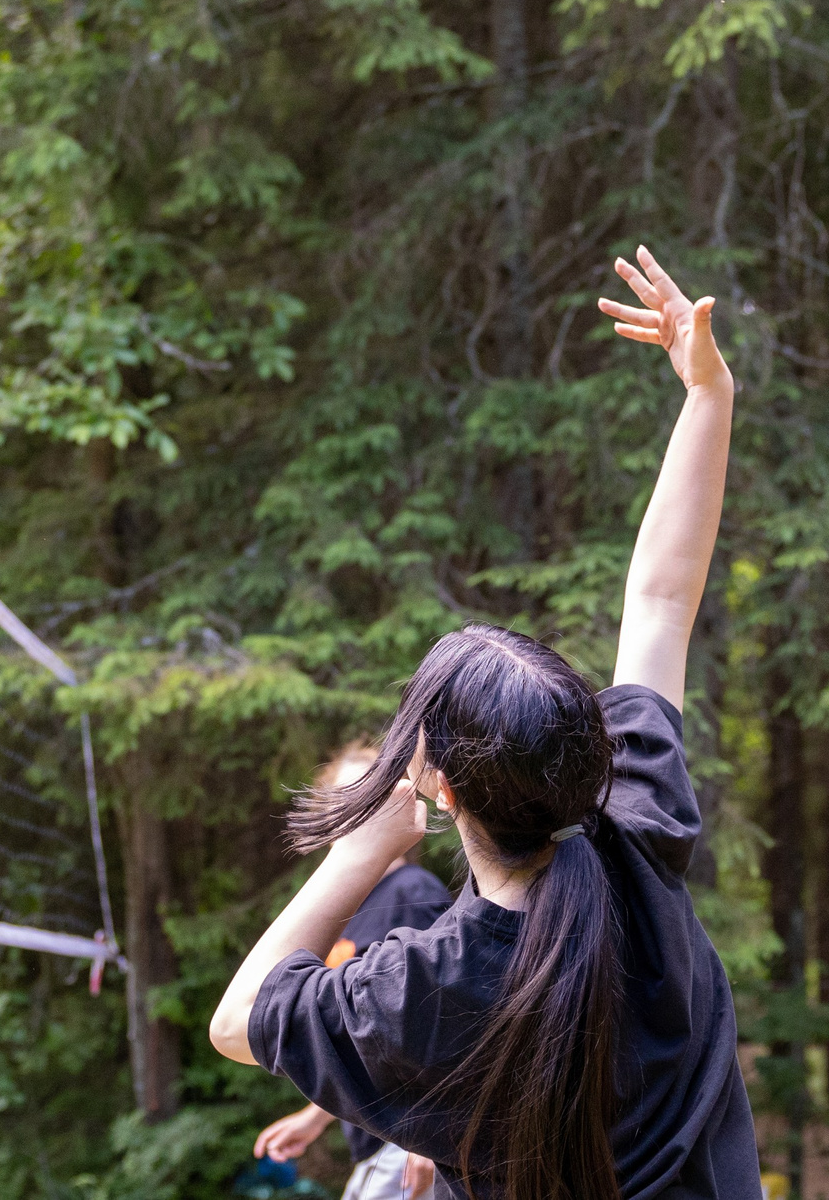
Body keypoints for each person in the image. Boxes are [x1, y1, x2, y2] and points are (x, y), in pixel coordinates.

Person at [210, 248, 759, 1200]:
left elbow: (240, 1017)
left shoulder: (425, 988)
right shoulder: (639, 828)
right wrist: (708, 393)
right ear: (590, 751)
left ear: (438, 783)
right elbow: (662, 601)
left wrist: (364, 846)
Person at [251, 741, 455, 1199]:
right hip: (376, 1136)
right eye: (351, 794)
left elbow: (442, 1015)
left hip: (407, 1138)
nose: (365, 802)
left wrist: (433, 1123)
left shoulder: (411, 890)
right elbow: (365, 1033)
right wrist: (313, 1119)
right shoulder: (354, 910)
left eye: (377, 788)